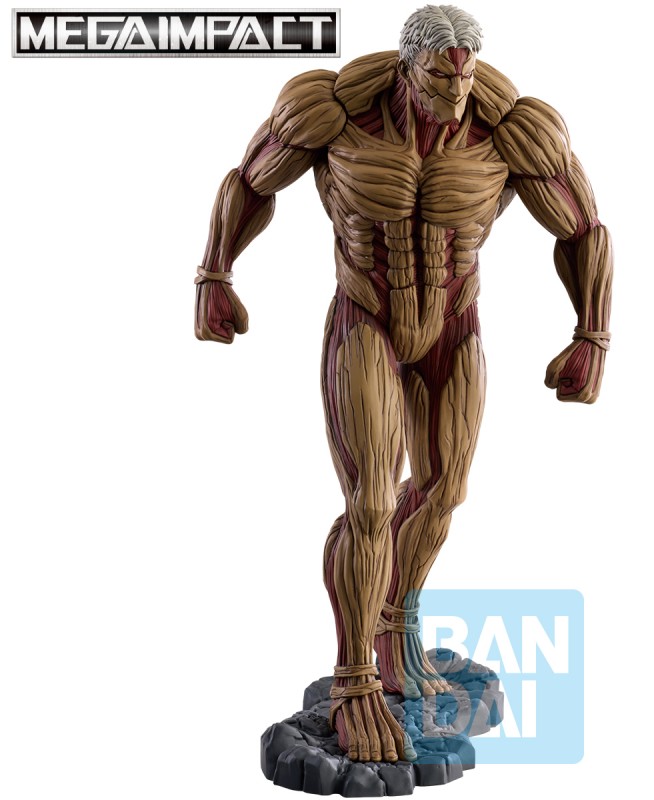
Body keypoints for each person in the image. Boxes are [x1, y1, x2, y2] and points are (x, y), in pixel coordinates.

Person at [194, 4, 612, 763]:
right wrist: (215, 274)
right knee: (372, 503)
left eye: (466, 80)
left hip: (455, 322)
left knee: (444, 489)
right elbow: (249, 182)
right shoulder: (332, 109)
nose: (456, 93)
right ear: (409, 66)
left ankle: (397, 622)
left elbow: (583, 228)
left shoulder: (514, 128)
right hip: (368, 315)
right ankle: (354, 680)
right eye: (440, 80)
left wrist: (592, 334)